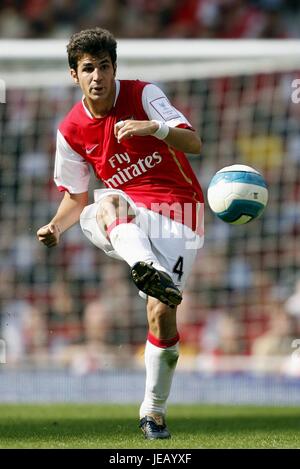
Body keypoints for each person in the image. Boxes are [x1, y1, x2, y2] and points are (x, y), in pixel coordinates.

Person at [37, 27, 204, 440]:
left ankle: (153, 411)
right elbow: (76, 198)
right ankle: (144, 265)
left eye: (105, 66)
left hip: (179, 211)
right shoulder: (70, 130)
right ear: (74, 75)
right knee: (109, 199)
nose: (98, 76)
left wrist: (154, 129)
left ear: (115, 69)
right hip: (126, 215)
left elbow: (194, 142)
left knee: (162, 314)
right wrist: (55, 227)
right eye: (88, 68)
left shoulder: (145, 94)